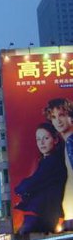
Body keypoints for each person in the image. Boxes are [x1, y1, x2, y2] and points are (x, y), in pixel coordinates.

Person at [15, 122, 67, 233]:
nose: (41, 143)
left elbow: (32, 183)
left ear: (55, 140)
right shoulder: (46, 161)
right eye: (38, 139)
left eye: (46, 138)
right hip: (43, 214)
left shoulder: (53, 162)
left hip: (42, 215)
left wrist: (20, 188)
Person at [45, 98, 73, 230]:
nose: (58, 120)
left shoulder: (71, 142)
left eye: (62, 115)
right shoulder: (66, 144)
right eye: (54, 117)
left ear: (70, 116)